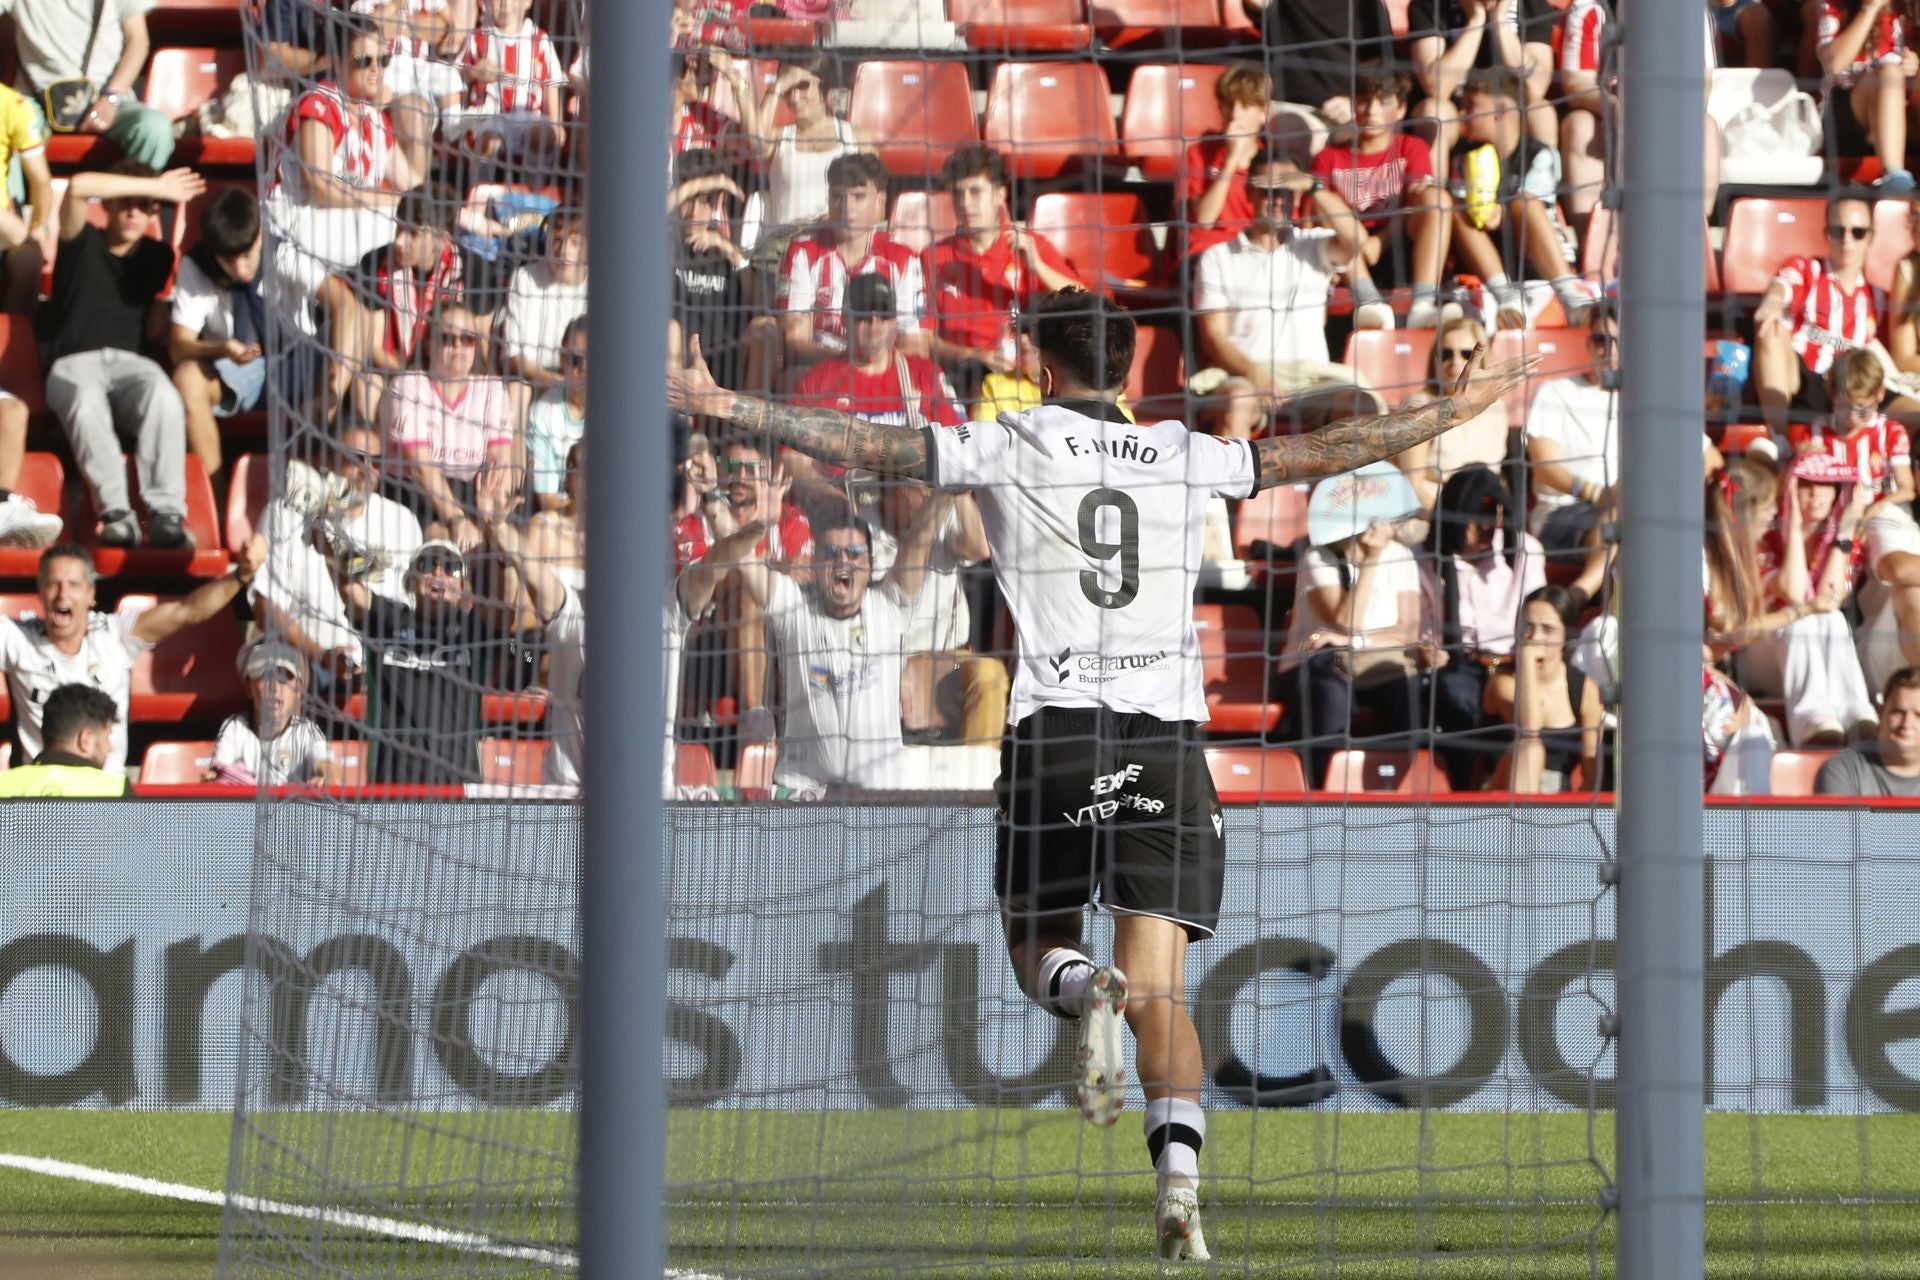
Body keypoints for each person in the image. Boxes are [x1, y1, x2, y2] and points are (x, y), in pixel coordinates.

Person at [669, 287, 1535, 1262]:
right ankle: (1182, 1199)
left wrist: (727, 403)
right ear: (1127, 372)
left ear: (1041, 368)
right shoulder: (1180, 449)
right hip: (1165, 740)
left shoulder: (1011, 437)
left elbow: (866, 446)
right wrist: (1448, 415)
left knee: (1035, 940)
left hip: (1056, 729)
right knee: (1166, 990)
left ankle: (1087, 993)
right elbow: (1318, 455)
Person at [729, 508, 948, 795]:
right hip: (802, 797)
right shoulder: (795, 611)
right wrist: (715, 502)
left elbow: (920, 538)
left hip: (879, 803)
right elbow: (744, 560)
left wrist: (946, 490)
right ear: (815, 563)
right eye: (831, 552)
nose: (842, 560)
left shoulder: (888, 608)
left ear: (869, 564)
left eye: (854, 552)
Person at [0, 538, 265, 774]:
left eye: (73, 585)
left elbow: (187, 611)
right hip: (42, 795)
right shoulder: (16, 638)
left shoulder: (115, 635)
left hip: (107, 794)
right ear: (40, 592)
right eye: (52, 584)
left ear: (91, 594)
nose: (62, 594)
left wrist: (241, 576)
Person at [45, 161, 205, 550]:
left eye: (143, 205)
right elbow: (79, 185)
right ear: (110, 206)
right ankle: (115, 513)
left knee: (164, 394)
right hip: (73, 363)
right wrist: (158, 187)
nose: (134, 213)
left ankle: (166, 514)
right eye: (125, 203)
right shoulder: (79, 240)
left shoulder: (156, 257)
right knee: (84, 401)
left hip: (129, 366)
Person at [1192, 147, 1377, 431]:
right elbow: (1213, 336)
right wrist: (1254, 373)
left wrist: (1313, 186)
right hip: (1246, 375)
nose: (1277, 200)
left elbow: (1357, 239)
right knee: (1239, 399)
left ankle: (1343, 479)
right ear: (1250, 193)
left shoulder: (1314, 244)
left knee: (1361, 405)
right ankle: (1236, 476)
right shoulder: (1218, 257)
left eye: (1286, 190)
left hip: (1313, 379)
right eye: (1268, 189)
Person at [1277, 482, 1429, 784]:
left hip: (1376, 662)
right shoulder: (1318, 557)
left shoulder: (1401, 555)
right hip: (1314, 665)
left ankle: (1394, 788)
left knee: (1408, 696)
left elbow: (1408, 630)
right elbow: (1346, 619)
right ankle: (1322, 789)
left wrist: (1356, 642)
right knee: (1332, 696)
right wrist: (1370, 559)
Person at [789, 274, 963, 512]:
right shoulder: (816, 383)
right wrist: (836, 502)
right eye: (863, 314)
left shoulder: (925, 375)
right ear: (844, 318)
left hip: (921, 506)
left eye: (883, 313)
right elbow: (794, 463)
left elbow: (960, 448)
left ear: (895, 320)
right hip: (848, 511)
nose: (874, 323)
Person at [921, 146, 1082, 400]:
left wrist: (1038, 266)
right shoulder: (933, 257)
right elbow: (922, 341)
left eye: (975, 192)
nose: (965, 203)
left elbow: (1086, 300)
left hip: (1027, 385)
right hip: (960, 382)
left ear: (999, 194)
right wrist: (975, 356)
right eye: (958, 193)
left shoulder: (1031, 246)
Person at [1742, 450, 1879, 746]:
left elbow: (1832, 596)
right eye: (1804, 484)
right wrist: (1792, 526)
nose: (1815, 492)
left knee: (1832, 618)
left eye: (1825, 484)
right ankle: (1812, 724)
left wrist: (1844, 530)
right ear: (1790, 488)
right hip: (1762, 653)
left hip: (1814, 656)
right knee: (1801, 622)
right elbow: (1792, 594)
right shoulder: (1765, 534)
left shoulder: (1843, 540)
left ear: (1838, 491)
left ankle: (1857, 715)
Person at [1428, 465, 1546, 789]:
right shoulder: (1423, 557)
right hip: (1456, 664)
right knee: (1453, 694)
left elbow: (1538, 613)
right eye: (1473, 517)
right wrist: (1425, 647)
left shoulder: (1524, 550)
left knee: (1529, 705)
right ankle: (1462, 789)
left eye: (1490, 516)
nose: (1484, 528)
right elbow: (1418, 625)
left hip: (1512, 662)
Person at [355, 538, 509, 784]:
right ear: (411, 579)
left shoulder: (473, 630)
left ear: (463, 585)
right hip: (393, 790)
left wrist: (499, 535)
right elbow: (349, 591)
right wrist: (334, 553)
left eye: (451, 568)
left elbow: (505, 609)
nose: (439, 573)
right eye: (427, 564)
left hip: (458, 790)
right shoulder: (388, 621)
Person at [1446, 69, 1588, 330]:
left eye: (1471, 106)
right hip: (1492, 262)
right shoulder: (1461, 156)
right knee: (1454, 207)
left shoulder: (1538, 154)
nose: (1462, 114)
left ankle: (1571, 298)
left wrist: (1503, 210)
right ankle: (1506, 298)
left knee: (1523, 203)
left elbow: (1538, 208)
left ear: (1500, 110)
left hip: (1537, 260)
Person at [1310, 64, 1450, 330]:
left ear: (1400, 109)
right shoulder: (1328, 157)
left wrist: (1380, 242)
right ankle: (1368, 302)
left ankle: (1422, 306)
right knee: (1323, 202)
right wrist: (1363, 244)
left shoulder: (1412, 147)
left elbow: (1418, 203)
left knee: (1436, 199)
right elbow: (1316, 216)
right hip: (1348, 254)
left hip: (1402, 245)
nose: (1371, 110)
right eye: (1363, 100)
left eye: (1382, 102)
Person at [315, 182, 463, 424]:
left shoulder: (470, 269)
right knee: (367, 385)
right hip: (397, 372)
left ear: (442, 240)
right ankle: (374, 459)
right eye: (399, 228)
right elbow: (373, 346)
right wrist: (412, 378)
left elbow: (481, 347)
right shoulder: (376, 262)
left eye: (413, 234)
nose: (400, 241)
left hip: (453, 377)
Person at [381, 298, 518, 549]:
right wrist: (457, 520)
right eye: (446, 338)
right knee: (443, 543)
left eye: (467, 339)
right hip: (413, 494)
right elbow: (421, 468)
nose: (458, 346)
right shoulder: (408, 386)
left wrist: (488, 517)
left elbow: (500, 461)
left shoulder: (492, 389)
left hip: (473, 493)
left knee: (502, 547)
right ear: (428, 342)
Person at [776, 152, 927, 377]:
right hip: (820, 370)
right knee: (792, 376)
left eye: (858, 197)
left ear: (880, 201)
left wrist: (870, 365)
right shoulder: (802, 252)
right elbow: (795, 340)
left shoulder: (903, 258)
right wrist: (849, 361)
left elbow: (914, 343)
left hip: (883, 374)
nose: (847, 208)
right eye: (838, 196)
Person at [1753, 190, 1887, 437]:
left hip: (1856, 389)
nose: (1847, 240)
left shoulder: (1878, 297)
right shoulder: (1807, 269)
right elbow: (1782, 285)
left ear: (1870, 237)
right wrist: (1772, 300)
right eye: (1838, 231)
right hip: (1805, 378)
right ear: (1827, 232)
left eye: (1857, 232)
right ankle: (1779, 442)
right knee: (1772, 329)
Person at [1, 0, 173, 172]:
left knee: (154, 127)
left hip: (108, 95)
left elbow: (138, 42)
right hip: (37, 99)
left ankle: (136, 196)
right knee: (6, 124)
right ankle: (13, 199)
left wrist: (111, 97)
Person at [169, 185, 266, 480]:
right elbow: (179, 347)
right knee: (187, 379)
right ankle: (214, 501)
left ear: (260, 236)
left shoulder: (288, 250)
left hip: (296, 364)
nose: (239, 267)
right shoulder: (198, 264)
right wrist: (221, 348)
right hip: (239, 371)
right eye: (228, 259)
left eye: (246, 255)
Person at [1482, 584, 1605, 792]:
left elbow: (1592, 776)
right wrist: (1527, 661)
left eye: (1548, 630)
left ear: (1567, 636)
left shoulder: (1585, 691)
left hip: (1557, 802)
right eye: (1527, 628)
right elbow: (1529, 729)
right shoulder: (1503, 682)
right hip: (1501, 797)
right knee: (1530, 748)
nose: (1535, 638)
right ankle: (1525, 824)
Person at [1392, 316, 1511, 521]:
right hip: (1429, 516)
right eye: (1445, 353)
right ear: (1434, 360)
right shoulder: (1419, 407)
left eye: (1466, 354)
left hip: (1484, 518)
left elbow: (1498, 478)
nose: (1455, 362)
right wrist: (1452, 526)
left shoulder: (1497, 408)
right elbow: (1411, 485)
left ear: (1481, 359)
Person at [1524, 302, 1619, 554]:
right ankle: (1580, 592)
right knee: (1623, 524)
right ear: (1589, 344)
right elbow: (1543, 468)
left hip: (1626, 510)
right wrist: (1596, 492)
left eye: (1622, 340)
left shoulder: (1644, 399)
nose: (1611, 350)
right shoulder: (1556, 391)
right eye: (1602, 339)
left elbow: (1708, 457)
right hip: (1562, 512)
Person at [755, 52, 869, 229]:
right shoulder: (778, 138)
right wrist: (776, 87)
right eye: (788, 88)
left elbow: (876, 206)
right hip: (785, 246)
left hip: (835, 243)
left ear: (822, 84)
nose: (794, 97)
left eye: (802, 85)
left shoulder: (857, 138)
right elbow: (754, 142)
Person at [1177, 62, 1275, 262]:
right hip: (1208, 252)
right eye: (1229, 104)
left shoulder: (1273, 161)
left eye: (1245, 106)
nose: (1234, 115)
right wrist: (1230, 162)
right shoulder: (1199, 153)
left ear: (1264, 112)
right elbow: (1204, 219)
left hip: (1255, 254)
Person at [1815, 0, 1916, 193]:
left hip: (1905, 114)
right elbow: (1834, 64)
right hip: (1846, 114)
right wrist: (1869, 9)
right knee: (1888, 73)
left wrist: (1914, 64)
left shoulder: (1909, 9)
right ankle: (1893, 175)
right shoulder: (1834, 5)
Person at [207, 640, 336, 786]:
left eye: (284, 677)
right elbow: (214, 780)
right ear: (248, 687)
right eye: (265, 676)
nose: (274, 687)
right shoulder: (234, 727)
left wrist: (327, 774)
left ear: (299, 689)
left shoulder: (308, 731)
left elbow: (328, 767)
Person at [1799, 347, 1915, 504]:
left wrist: (1874, 511)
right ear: (1832, 396)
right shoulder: (1816, 433)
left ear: (1879, 394)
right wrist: (1799, 461)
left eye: (1861, 408)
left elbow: (1906, 489)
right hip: (1836, 513)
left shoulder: (1891, 432)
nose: (1852, 417)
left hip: (1882, 513)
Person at [456, 0, 567, 162]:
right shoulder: (478, 37)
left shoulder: (540, 40)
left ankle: (535, 184)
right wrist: (473, 73)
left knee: (545, 137)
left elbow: (551, 85)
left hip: (529, 117)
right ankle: (481, 183)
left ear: (528, 2)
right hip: (489, 117)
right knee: (489, 143)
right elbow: (456, 73)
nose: (505, 3)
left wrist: (556, 124)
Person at [502, 208, 589, 394]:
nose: (564, 251)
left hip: (585, 381)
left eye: (575, 243)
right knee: (518, 389)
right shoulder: (525, 278)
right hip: (538, 379)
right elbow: (514, 355)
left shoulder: (601, 287)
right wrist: (558, 384)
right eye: (557, 240)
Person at [0, 683, 125, 796]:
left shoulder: (4, 785)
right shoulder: (117, 790)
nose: (110, 748)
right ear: (85, 740)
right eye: (107, 737)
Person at [1816, 666, 1920, 794]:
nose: (1906, 723)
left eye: (1918, 715)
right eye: (1898, 712)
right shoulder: (1843, 769)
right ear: (1880, 714)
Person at [0, 81, 53, 315]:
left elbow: (41, 180)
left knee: (28, 261)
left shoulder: (12, 104)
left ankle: (11, 343)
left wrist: (38, 228)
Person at [528, 315, 586, 512]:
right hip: (565, 520)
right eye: (576, 360)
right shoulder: (542, 414)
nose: (584, 369)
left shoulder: (619, 412)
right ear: (562, 359)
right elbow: (546, 498)